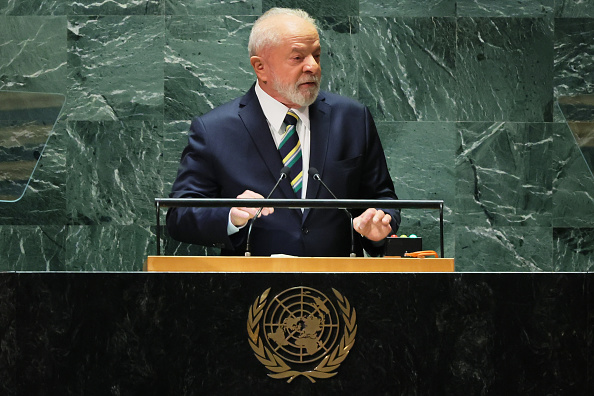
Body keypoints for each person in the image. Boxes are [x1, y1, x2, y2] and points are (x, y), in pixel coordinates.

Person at [167, 8, 400, 257]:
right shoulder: (214, 130)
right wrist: (231, 216)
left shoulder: (352, 119)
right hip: (249, 289)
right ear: (261, 68)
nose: (312, 66)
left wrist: (378, 224)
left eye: (317, 55)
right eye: (298, 58)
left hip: (337, 287)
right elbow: (180, 214)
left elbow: (383, 200)